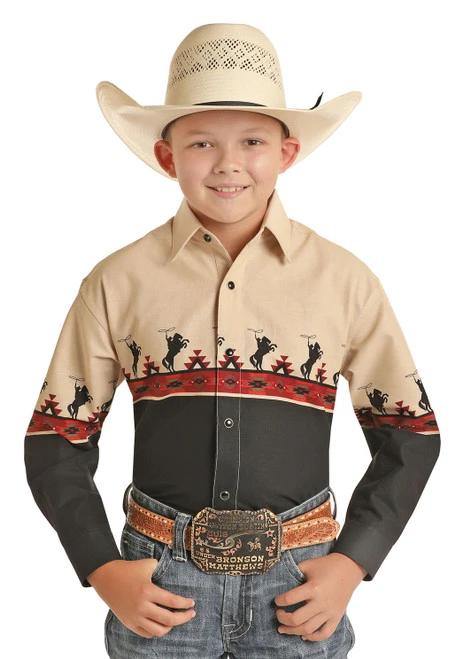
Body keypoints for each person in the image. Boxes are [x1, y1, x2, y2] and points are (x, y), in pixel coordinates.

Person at [24, 23, 440, 658]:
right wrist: (102, 568)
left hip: (301, 588)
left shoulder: (346, 282)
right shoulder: (117, 281)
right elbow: (57, 437)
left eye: (252, 140)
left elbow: (410, 433)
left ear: (286, 152)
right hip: (160, 590)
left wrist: (352, 561)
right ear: (167, 157)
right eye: (201, 143)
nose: (227, 163)